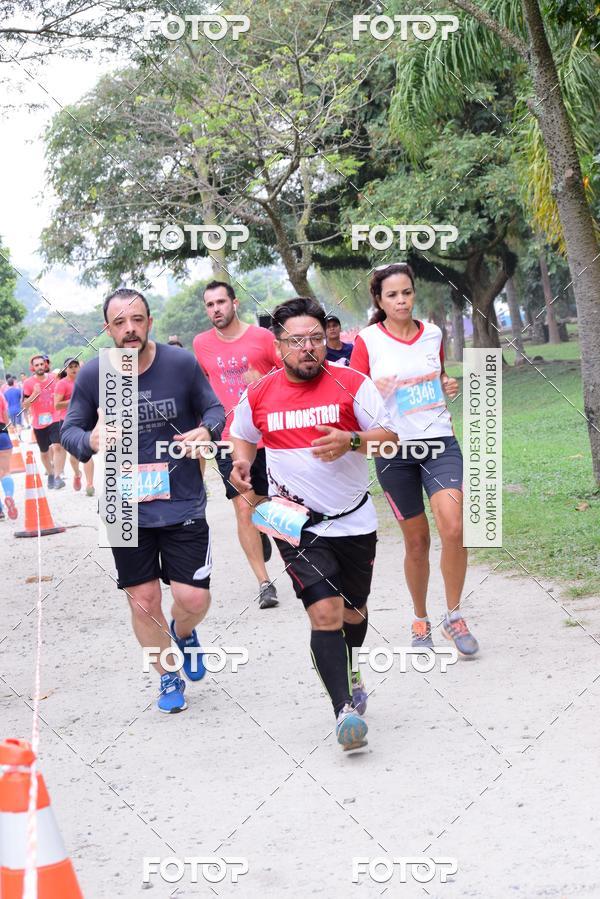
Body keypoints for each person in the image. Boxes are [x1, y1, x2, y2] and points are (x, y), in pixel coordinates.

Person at [229, 296, 397, 751]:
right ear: (278, 344)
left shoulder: (352, 383)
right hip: (296, 522)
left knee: (353, 610)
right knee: (324, 613)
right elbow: (242, 436)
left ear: (327, 339)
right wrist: (243, 464)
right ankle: (344, 710)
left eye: (316, 339)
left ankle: (354, 663)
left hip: (353, 517)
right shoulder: (260, 393)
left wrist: (352, 440)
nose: (309, 348)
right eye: (296, 340)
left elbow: (390, 441)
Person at [61, 287, 225, 713]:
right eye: (120, 323)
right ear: (108, 329)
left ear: (149, 321)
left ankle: (184, 632)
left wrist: (206, 431)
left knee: (192, 599)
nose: (130, 329)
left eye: (137, 320)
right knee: (143, 599)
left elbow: (215, 411)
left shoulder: (181, 364)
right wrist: (90, 438)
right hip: (122, 503)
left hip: (182, 502)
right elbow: (70, 431)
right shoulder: (97, 375)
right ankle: (168, 676)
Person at [350, 263, 479, 658]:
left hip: (439, 441)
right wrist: (373, 387)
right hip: (394, 450)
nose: (401, 300)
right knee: (418, 541)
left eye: (406, 292)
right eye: (392, 295)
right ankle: (420, 618)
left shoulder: (434, 333)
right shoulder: (367, 340)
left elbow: (436, 377)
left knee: (454, 528)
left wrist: (447, 383)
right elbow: (350, 396)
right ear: (379, 300)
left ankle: (453, 615)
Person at [193, 280, 281, 610]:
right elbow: (204, 387)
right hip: (228, 437)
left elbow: (288, 374)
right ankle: (264, 582)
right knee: (242, 508)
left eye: (221, 302)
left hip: (269, 433)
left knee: (275, 499)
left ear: (235, 303)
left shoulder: (263, 338)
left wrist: (264, 382)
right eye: (210, 304)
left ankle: (265, 526)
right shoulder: (201, 344)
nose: (216, 309)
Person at [22, 354, 63, 489]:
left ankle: (57, 477)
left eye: (41, 364)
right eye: (37, 365)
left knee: (57, 446)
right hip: (39, 422)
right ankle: (50, 474)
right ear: (32, 368)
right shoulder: (28, 383)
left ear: (45, 365)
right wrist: (34, 394)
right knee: (44, 452)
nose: (40, 367)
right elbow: (25, 405)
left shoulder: (53, 378)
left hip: (54, 417)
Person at [54, 358, 95, 495]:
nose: (73, 369)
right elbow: (57, 405)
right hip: (68, 422)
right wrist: (74, 400)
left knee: (87, 452)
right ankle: (77, 474)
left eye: (75, 366)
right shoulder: (61, 384)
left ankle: (90, 484)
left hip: (86, 420)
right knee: (75, 455)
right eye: (70, 366)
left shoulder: (86, 381)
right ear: (65, 369)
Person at [0, 391, 18, 520]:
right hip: (2, 433)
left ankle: (0, 511)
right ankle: (9, 495)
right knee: (5, 471)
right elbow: (5, 415)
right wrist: (10, 429)